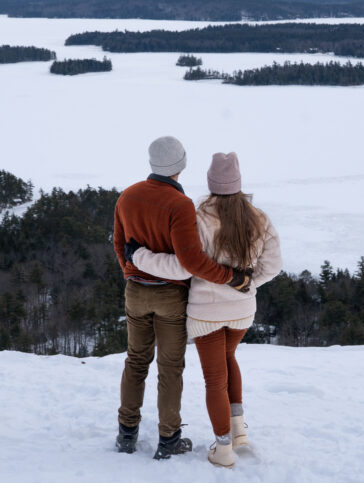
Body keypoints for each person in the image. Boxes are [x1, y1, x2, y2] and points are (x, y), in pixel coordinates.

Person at [130, 151, 282, 469]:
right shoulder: (259, 218)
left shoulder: (198, 217)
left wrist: (140, 257)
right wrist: (247, 285)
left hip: (206, 313)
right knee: (229, 360)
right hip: (242, 311)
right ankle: (239, 433)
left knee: (215, 378)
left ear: (212, 184)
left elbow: (183, 266)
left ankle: (223, 448)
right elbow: (272, 266)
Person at [113, 136, 252, 460]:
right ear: (182, 164)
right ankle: (168, 438)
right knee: (170, 367)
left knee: (135, 361)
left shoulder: (128, 196)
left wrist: (131, 273)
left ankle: (126, 433)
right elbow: (192, 262)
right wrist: (231, 278)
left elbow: (120, 244)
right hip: (170, 296)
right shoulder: (181, 205)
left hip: (135, 291)